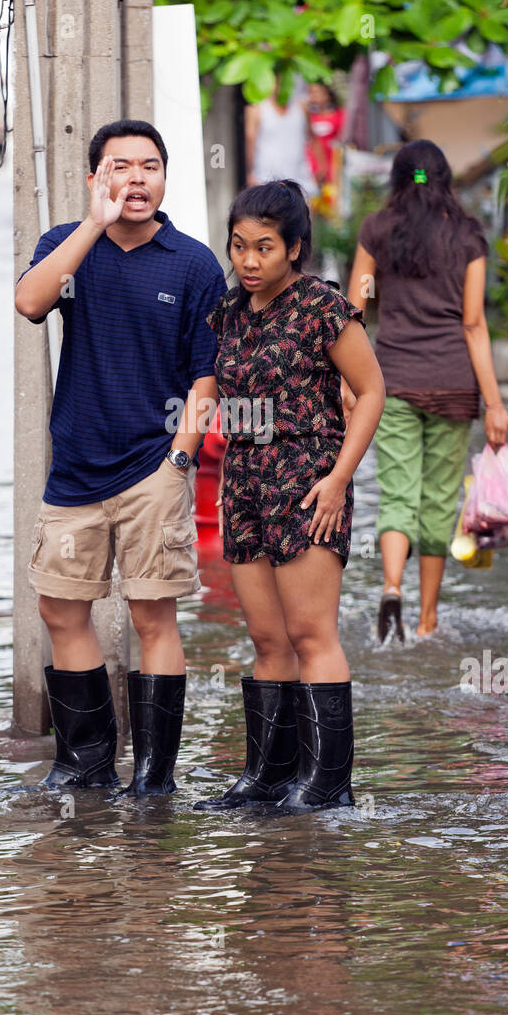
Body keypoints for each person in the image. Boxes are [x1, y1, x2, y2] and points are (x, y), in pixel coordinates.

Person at [14, 120, 226, 794]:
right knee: (61, 609)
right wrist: (92, 226)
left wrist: (181, 460)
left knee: (152, 614)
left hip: (152, 470)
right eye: (121, 167)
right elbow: (29, 301)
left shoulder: (193, 263)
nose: (137, 178)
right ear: (96, 177)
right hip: (76, 469)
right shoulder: (66, 248)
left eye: (150, 166)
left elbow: (206, 375)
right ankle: (85, 765)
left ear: (165, 178)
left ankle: (154, 777)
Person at [195, 180, 385, 813]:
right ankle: (269, 776)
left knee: (311, 635)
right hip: (244, 482)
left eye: (265, 248)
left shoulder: (322, 308)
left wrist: (337, 478)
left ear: (294, 248)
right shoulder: (225, 314)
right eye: (240, 246)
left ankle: (328, 784)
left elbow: (372, 392)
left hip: (309, 483)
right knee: (268, 641)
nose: (249, 261)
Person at [345, 139, 508, 642]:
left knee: (397, 494)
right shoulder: (468, 236)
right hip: (453, 385)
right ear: (445, 179)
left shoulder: (378, 229)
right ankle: (427, 620)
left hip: (392, 381)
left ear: (398, 179)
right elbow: (473, 324)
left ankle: (392, 588)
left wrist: (347, 383)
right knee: (439, 502)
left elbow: (352, 311)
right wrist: (496, 405)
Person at [245, 79, 319, 200]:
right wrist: (250, 173)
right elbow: (250, 142)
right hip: (265, 181)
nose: (280, 86)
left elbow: (313, 137)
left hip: (301, 179)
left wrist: (319, 169)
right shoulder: (257, 109)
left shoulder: (301, 106)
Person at [304, 82, 344, 202]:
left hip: (333, 161)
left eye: (316, 93)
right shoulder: (307, 115)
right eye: (310, 93)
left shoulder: (339, 115)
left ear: (327, 95)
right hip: (311, 163)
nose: (312, 96)